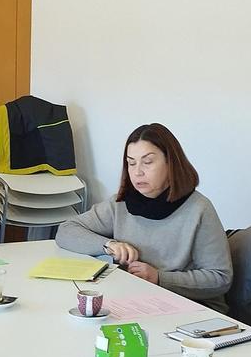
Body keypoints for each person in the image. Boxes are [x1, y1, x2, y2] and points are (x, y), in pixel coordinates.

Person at [55, 122, 233, 312]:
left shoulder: (199, 209)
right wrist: (109, 245)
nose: (138, 171)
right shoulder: (121, 203)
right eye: (131, 163)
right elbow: (66, 231)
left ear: (170, 162)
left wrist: (159, 278)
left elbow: (220, 278)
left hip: (190, 308)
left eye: (147, 162)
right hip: (134, 299)